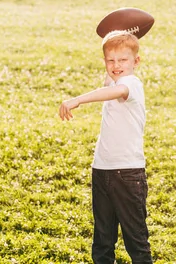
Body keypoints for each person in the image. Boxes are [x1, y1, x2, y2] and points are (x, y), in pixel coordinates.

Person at [59, 30, 152, 264]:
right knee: (102, 240)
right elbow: (109, 82)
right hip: (101, 170)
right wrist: (116, 33)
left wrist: (77, 99)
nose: (116, 65)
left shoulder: (132, 84)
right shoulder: (113, 79)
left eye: (123, 60)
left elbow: (116, 90)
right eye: (111, 60)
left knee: (136, 242)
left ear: (136, 62)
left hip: (128, 174)